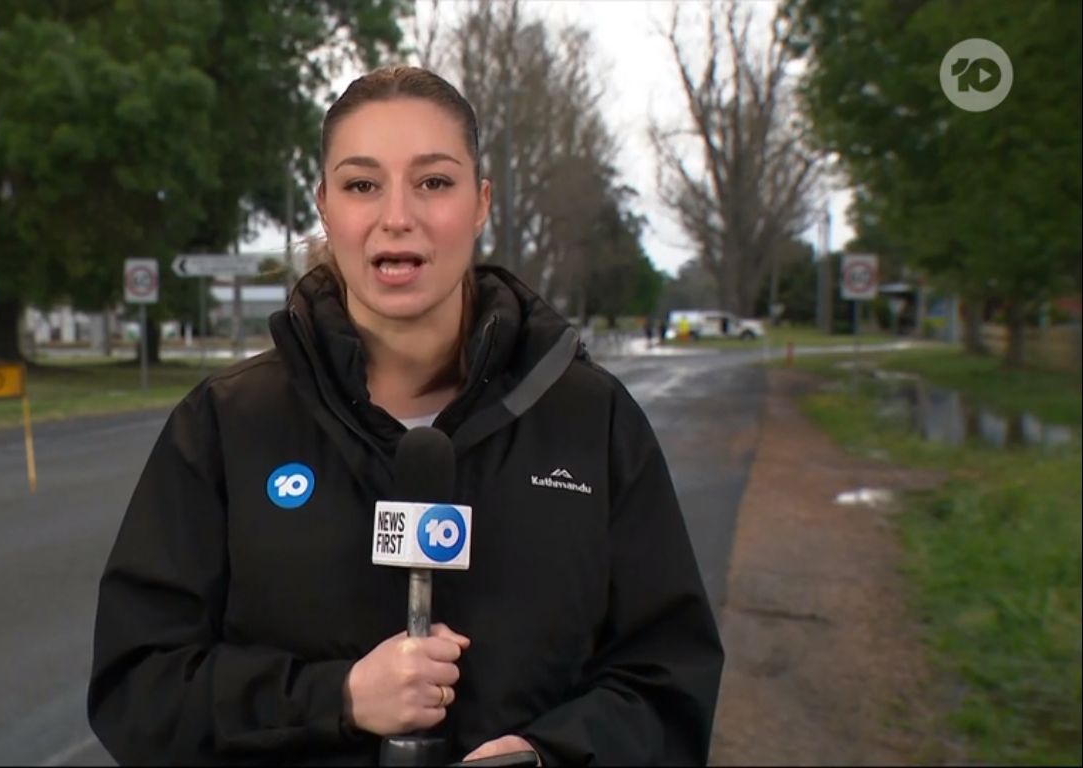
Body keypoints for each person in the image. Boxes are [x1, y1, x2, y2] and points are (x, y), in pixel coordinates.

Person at [87, 65, 723, 766]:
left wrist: (549, 755)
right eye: (363, 185)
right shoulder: (227, 424)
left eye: (434, 182)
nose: (397, 216)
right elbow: (138, 688)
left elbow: (670, 680)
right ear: (324, 206)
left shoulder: (590, 420)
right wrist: (337, 698)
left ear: (480, 204)